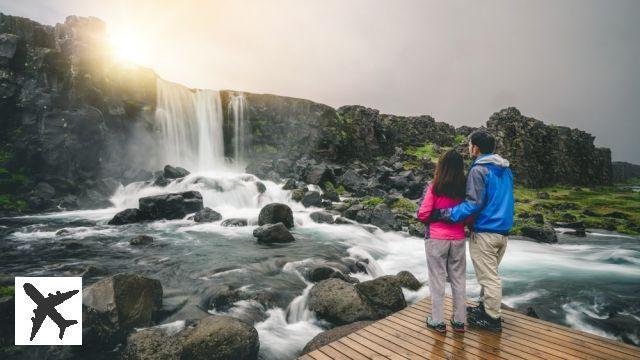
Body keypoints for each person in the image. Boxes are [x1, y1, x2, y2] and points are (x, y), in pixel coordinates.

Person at [430, 130, 514, 331]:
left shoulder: (479, 170)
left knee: (489, 277)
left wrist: (445, 214)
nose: (469, 148)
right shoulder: (506, 170)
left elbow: (473, 204)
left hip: (485, 231)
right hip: (502, 232)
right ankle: (485, 308)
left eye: (470, 144)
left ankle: (492, 320)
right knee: (490, 272)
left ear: (475, 148)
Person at [417, 150, 468, 334]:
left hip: (436, 239)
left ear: (442, 166)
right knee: (459, 280)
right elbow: (468, 214)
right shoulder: (465, 188)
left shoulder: (435, 187)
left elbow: (422, 214)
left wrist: (437, 216)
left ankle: (438, 322)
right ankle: (460, 321)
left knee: (437, 280)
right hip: (459, 239)